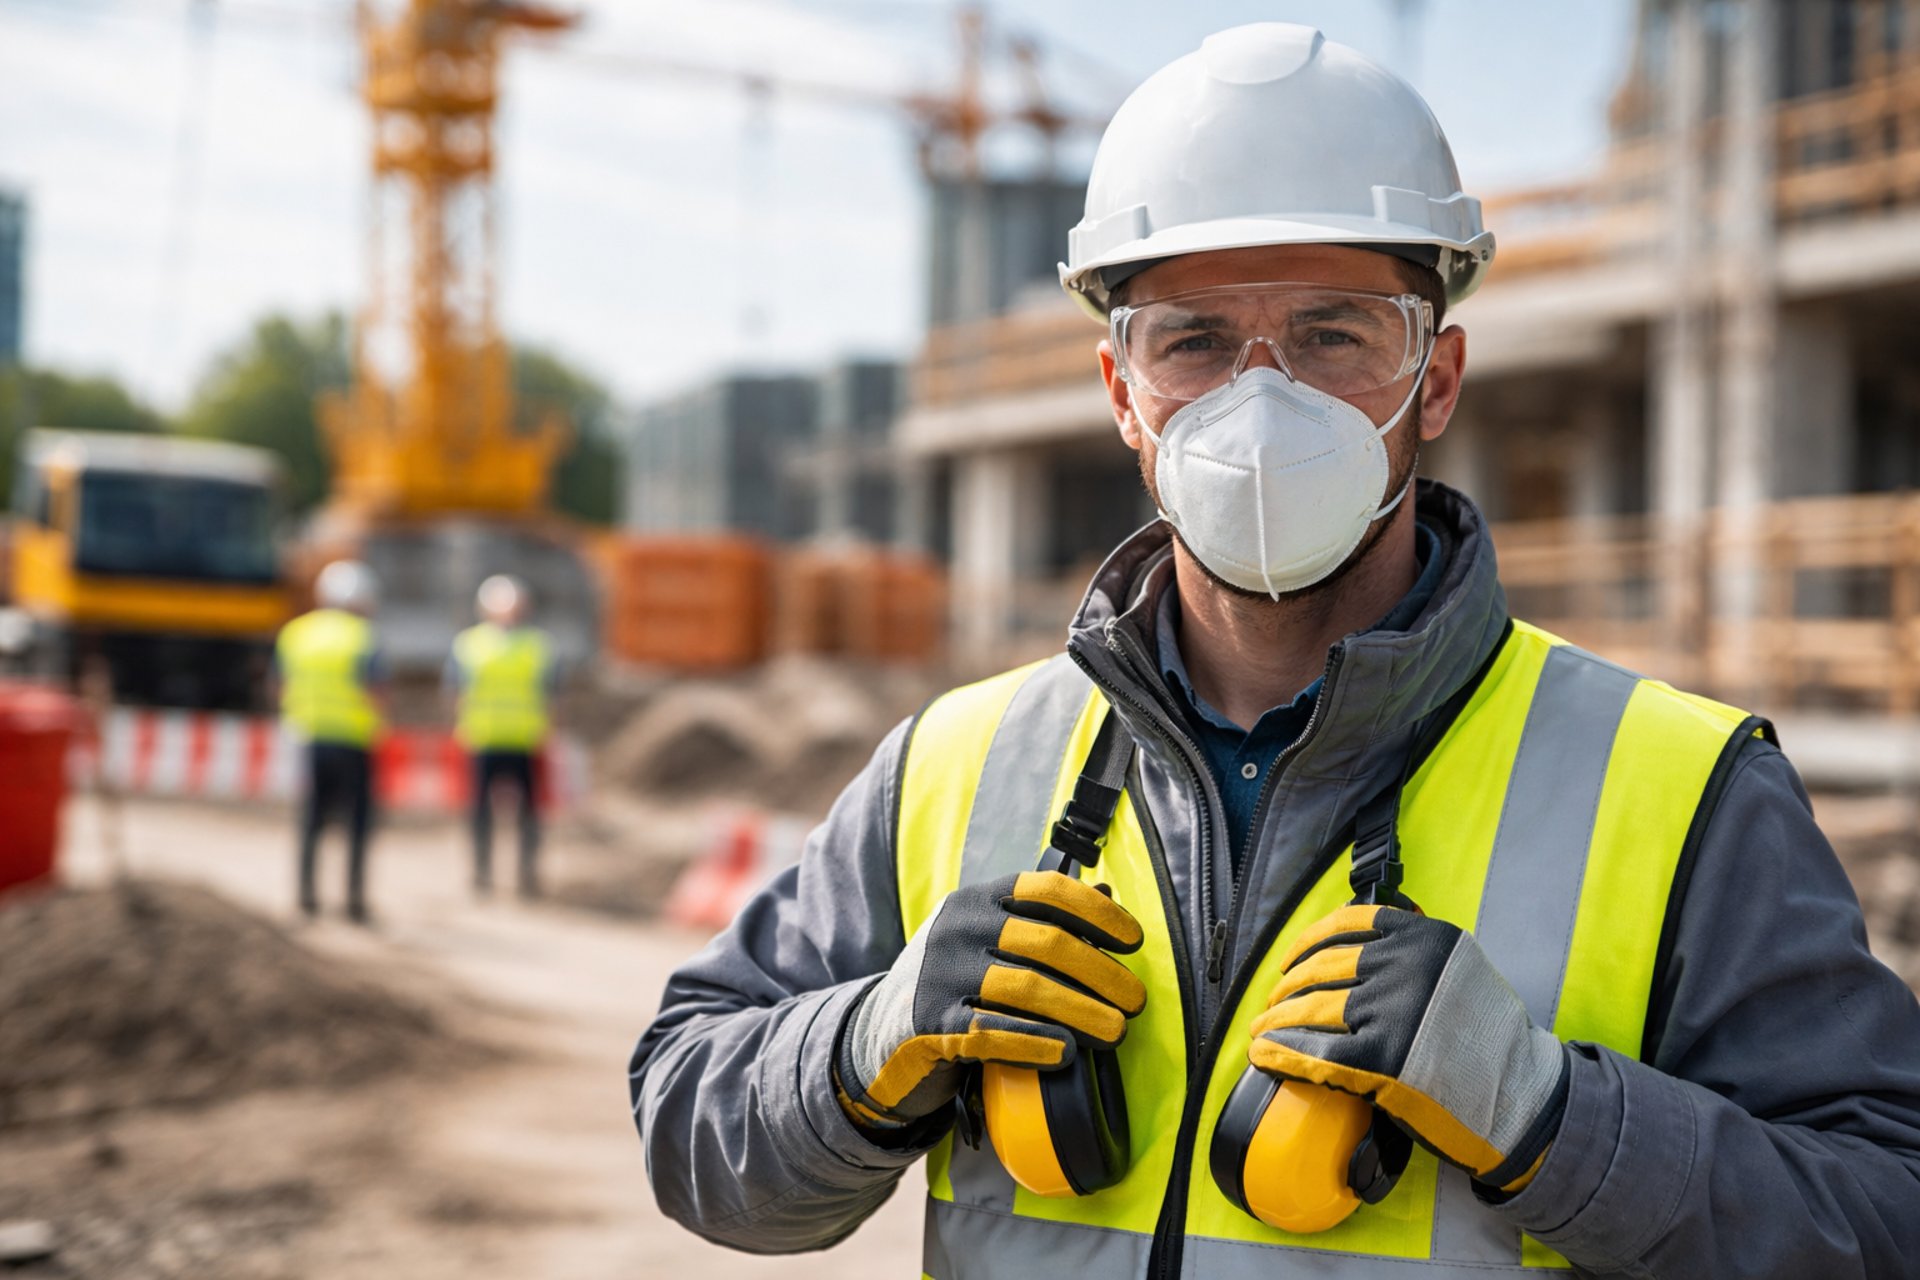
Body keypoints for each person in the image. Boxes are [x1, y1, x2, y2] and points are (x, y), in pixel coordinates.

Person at [628, 24, 1920, 1279]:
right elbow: (695, 1135)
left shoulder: (1678, 787)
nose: (1264, 399)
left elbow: (1883, 1216)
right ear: (1121, 390)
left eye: (1334, 333)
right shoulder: (954, 765)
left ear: (1440, 374)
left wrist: (1550, 1114)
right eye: (1191, 337)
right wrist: (865, 1040)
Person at [276, 558, 384, 924]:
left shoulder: (297, 633)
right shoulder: (363, 636)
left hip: (308, 737)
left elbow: (280, 685)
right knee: (356, 824)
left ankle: (306, 899)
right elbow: (375, 691)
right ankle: (354, 903)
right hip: (353, 740)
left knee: (310, 820)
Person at [447, 574, 552, 899]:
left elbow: (551, 693)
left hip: (522, 740)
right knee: (481, 813)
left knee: (529, 814)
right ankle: (483, 874)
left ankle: (526, 875)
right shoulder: (471, 644)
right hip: (486, 738)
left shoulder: (535, 646)